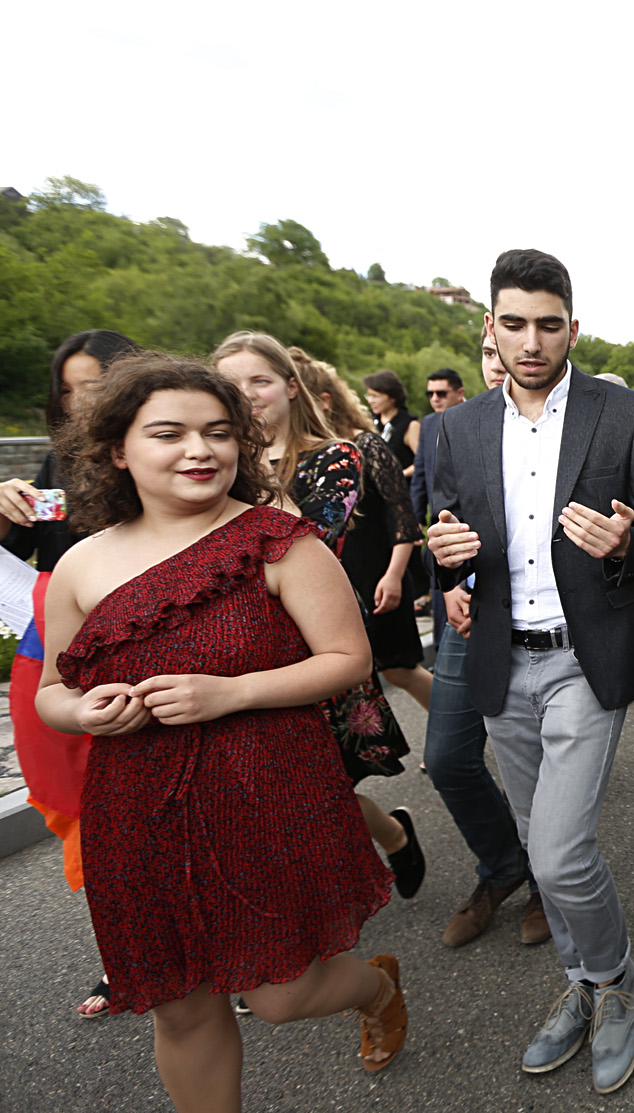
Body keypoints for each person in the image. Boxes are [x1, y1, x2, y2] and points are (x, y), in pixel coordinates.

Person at [35, 353, 407, 1110]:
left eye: (217, 432)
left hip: (266, 790)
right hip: (135, 809)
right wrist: (82, 711)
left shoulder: (282, 540)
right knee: (179, 1005)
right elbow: (52, 692)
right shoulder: (80, 564)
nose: (199, 450)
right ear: (117, 449)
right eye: (168, 433)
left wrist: (231, 693)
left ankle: (376, 989)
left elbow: (348, 659)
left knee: (280, 995)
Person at [426, 248, 634, 1093]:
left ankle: (618, 979)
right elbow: (450, 537)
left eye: (549, 324)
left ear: (574, 328)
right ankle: (581, 980)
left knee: (562, 857)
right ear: (490, 327)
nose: (531, 341)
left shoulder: (625, 413)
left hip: (583, 658)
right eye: (515, 324)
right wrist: (448, 563)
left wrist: (625, 544)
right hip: (502, 658)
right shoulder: (453, 428)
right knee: (537, 845)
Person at [213, 332, 423, 901]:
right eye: (231, 384)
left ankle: (387, 840)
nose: (246, 394)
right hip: (233, 649)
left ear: (290, 386)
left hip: (310, 645)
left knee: (323, 786)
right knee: (269, 794)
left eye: (259, 380)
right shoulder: (209, 459)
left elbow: (304, 540)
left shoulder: (335, 456)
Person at [1, 328, 138, 1019]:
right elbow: (26, 547)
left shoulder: (162, 448)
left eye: (94, 387)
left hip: (145, 642)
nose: (80, 403)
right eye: (67, 391)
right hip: (62, 654)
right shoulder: (57, 460)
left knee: (155, 804)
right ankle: (125, 954)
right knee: (87, 809)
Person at [422, 329, 550, 949]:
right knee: (447, 758)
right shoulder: (450, 427)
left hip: (534, 619)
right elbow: (436, 521)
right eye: (487, 352)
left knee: (540, 768)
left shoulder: (556, 424)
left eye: (507, 351)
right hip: (467, 618)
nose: (499, 363)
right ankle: (503, 866)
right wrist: (447, 582)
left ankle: (548, 882)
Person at [291, 350, 435, 714]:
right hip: (331, 577)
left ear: (324, 401)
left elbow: (403, 518)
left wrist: (394, 576)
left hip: (376, 573)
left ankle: (457, 733)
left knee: (399, 669)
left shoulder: (366, 444)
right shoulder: (299, 455)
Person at [408, 368, 467, 614]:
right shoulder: (429, 423)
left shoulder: (474, 416)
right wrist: (415, 518)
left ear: (459, 393)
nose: (435, 399)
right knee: (442, 593)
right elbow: (420, 472)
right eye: (430, 393)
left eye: (441, 393)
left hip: (469, 521)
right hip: (438, 521)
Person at [361, 369, 420, 478]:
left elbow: (423, 460)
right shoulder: (369, 421)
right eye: (369, 396)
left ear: (392, 397)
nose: (370, 401)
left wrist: (400, 475)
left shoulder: (410, 424)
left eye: (375, 396)